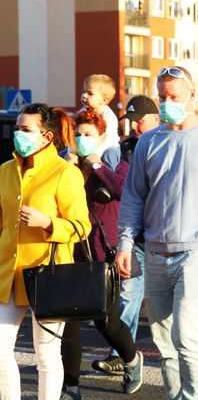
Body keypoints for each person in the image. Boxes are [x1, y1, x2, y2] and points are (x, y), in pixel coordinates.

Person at [116, 65, 198, 399]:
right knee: (163, 340)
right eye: (162, 97)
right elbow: (134, 197)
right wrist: (125, 243)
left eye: (173, 97)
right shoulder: (149, 141)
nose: (166, 103)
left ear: (192, 95)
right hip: (156, 252)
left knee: (186, 335)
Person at [0, 103, 91, 400]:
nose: (18, 135)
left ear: (47, 137)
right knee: (0, 352)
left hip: (47, 275)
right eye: (17, 128)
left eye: (26, 130)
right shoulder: (4, 170)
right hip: (8, 274)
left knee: (46, 356)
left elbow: (82, 227)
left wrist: (48, 223)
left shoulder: (65, 173)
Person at [61, 110, 143, 399]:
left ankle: (132, 359)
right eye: (78, 135)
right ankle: (70, 386)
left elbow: (122, 190)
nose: (82, 140)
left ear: (101, 137)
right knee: (68, 319)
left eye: (88, 135)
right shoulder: (65, 166)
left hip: (101, 253)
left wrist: (95, 164)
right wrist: (68, 168)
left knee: (104, 320)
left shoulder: (115, 164)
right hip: (70, 251)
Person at [91, 95, 160, 375]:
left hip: (166, 237)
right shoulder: (122, 150)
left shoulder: (166, 145)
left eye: (139, 121)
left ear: (156, 119)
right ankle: (120, 355)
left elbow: (128, 186)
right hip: (135, 236)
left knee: (169, 307)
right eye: (130, 121)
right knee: (129, 296)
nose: (133, 127)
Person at [80, 74, 120, 154]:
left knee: (111, 152)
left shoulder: (109, 117)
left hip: (106, 148)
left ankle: (110, 167)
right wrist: (70, 152)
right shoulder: (82, 113)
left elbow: (109, 139)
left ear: (104, 99)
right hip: (86, 147)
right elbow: (73, 133)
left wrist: (97, 154)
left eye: (90, 93)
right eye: (84, 91)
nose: (84, 96)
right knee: (62, 155)